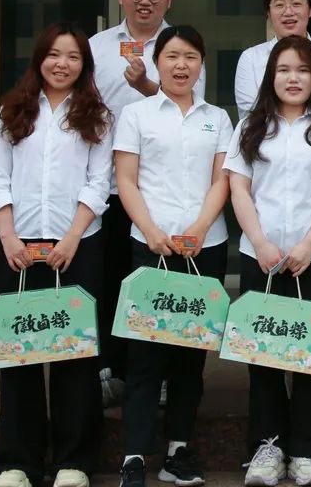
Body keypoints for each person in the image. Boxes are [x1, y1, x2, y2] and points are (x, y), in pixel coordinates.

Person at [0, 23, 114, 487]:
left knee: (76, 355)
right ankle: (17, 461)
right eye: (55, 55)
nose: (63, 64)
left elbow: (100, 182)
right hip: (17, 248)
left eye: (74, 57)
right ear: (39, 59)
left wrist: (73, 237)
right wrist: (8, 238)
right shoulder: (12, 111)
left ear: (85, 65)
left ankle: (73, 460)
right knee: (18, 351)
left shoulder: (96, 114)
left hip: (75, 247)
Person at [225, 36, 311, 487]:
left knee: (309, 356)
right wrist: (259, 242)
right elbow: (239, 187)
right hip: (261, 257)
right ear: (270, 77)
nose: (293, 78)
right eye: (283, 70)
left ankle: (310, 452)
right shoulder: (250, 127)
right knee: (263, 356)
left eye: (302, 70)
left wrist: (309, 244)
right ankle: (267, 448)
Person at [113, 25, 232, 487]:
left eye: (190, 57)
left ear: (201, 64)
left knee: (190, 356)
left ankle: (178, 451)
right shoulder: (137, 115)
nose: (181, 65)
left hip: (206, 246)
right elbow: (126, 179)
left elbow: (222, 179)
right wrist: (152, 231)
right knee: (144, 355)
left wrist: (200, 228)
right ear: (157, 62)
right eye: (172, 57)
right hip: (150, 244)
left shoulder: (217, 118)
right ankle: (135, 457)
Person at [89, 0, 204, 405]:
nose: (145, 0)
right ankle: (110, 369)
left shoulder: (182, 48)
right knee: (110, 279)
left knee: (159, 286)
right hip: (107, 186)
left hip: (162, 191)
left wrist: (147, 88)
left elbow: (190, 111)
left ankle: (157, 375)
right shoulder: (97, 47)